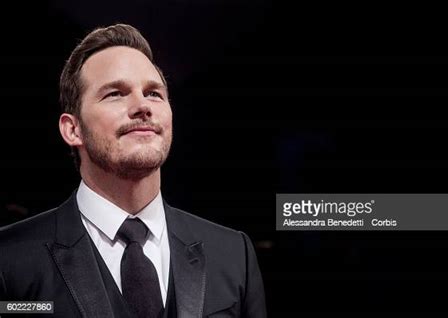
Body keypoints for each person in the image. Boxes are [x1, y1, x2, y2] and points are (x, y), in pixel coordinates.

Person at [0, 24, 266, 318]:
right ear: (73, 129)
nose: (142, 106)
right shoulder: (9, 258)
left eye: (154, 93)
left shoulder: (232, 253)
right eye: (115, 93)